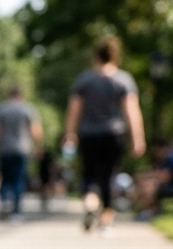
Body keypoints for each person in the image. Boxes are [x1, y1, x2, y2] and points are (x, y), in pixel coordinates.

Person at [63, 35, 146, 234]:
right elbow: (131, 111)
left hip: (89, 133)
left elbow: (74, 110)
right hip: (114, 133)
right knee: (109, 175)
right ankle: (106, 220)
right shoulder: (123, 80)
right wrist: (137, 138)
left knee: (89, 174)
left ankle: (91, 203)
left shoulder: (84, 80)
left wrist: (69, 134)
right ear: (115, 55)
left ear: (96, 56)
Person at [0, 85, 42, 221]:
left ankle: (5, 201)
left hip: (4, 149)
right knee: (18, 179)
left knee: (5, 177)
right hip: (22, 149)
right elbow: (35, 130)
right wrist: (39, 146)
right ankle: (16, 211)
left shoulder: (1, 109)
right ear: (21, 95)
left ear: (8, 94)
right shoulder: (28, 109)